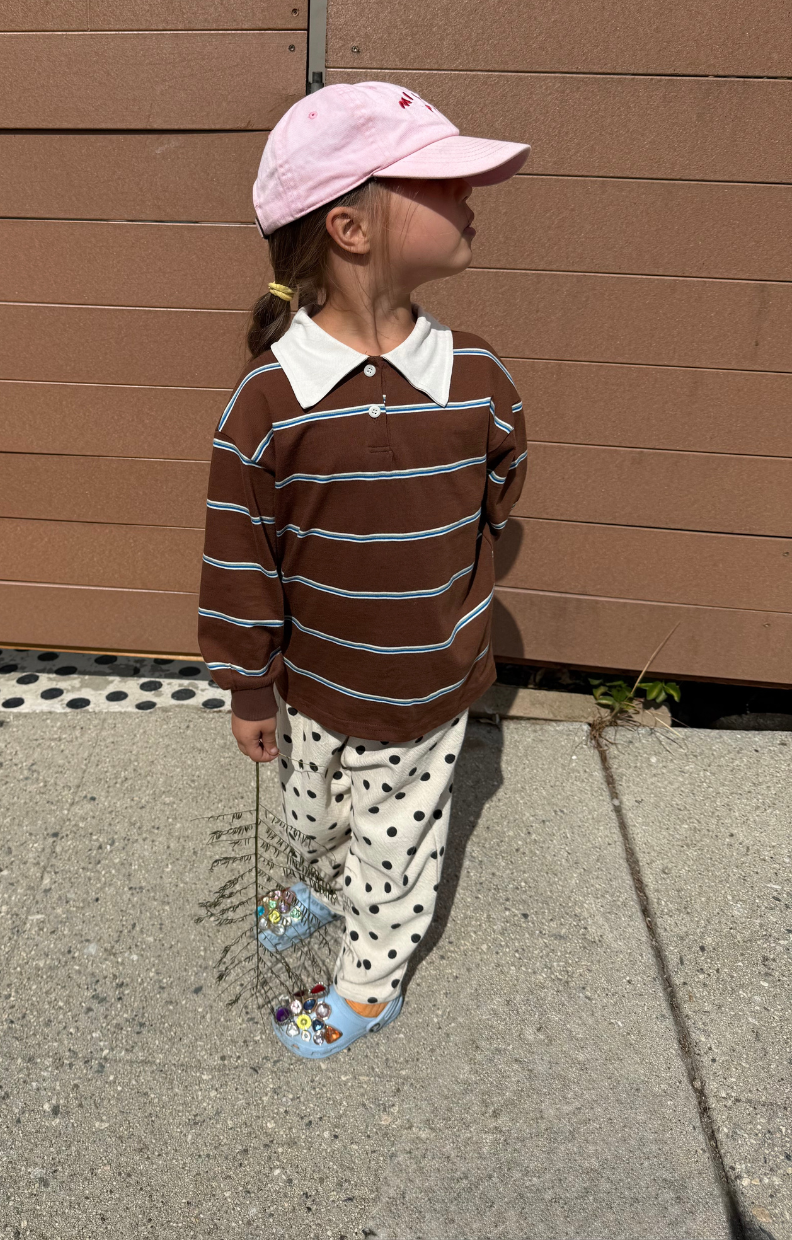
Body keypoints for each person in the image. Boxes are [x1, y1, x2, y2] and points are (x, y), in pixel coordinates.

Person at [198, 81, 530, 1058]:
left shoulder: (477, 379)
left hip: (427, 686)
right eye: (442, 182)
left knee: (394, 850)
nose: (471, 197)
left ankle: (370, 985)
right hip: (310, 684)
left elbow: (501, 485)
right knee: (313, 814)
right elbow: (238, 553)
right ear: (349, 226)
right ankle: (316, 885)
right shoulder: (269, 404)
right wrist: (248, 685)